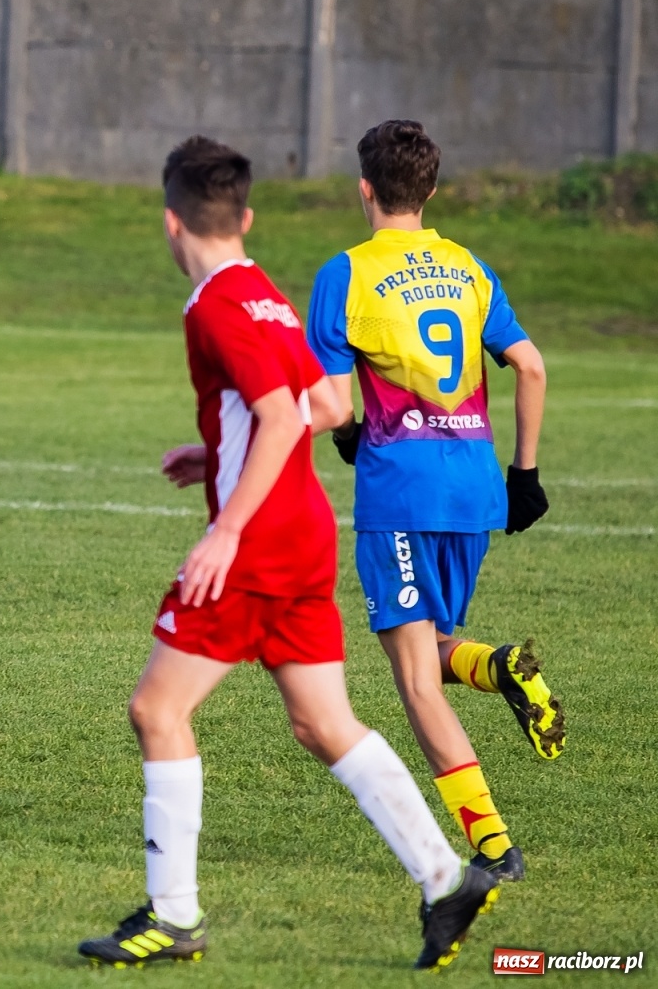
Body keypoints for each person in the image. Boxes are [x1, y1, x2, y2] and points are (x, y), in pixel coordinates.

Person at [78, 137, 496, 972]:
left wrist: (225, 524)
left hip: (260, 541)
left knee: (158, 713)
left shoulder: (214, 308)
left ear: (171, 224)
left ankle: (174, 916)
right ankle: (446, 876)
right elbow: (328, 403)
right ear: (247, 218)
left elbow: (278, 415)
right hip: (304, 531)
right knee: (323, 723)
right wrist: (217, 457)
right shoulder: (263, 292)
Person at [304, 119, 561, 888]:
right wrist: (525, 475)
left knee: (414, 679)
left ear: (364, 189)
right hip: (476, 489)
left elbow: (329, 396)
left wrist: (349, 435)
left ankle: (492, 846)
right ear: (432, 192)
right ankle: (503, 667)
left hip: (402, 494)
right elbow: (532, 366)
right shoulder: (468, 267)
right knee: (431, 646)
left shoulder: (344, 274)